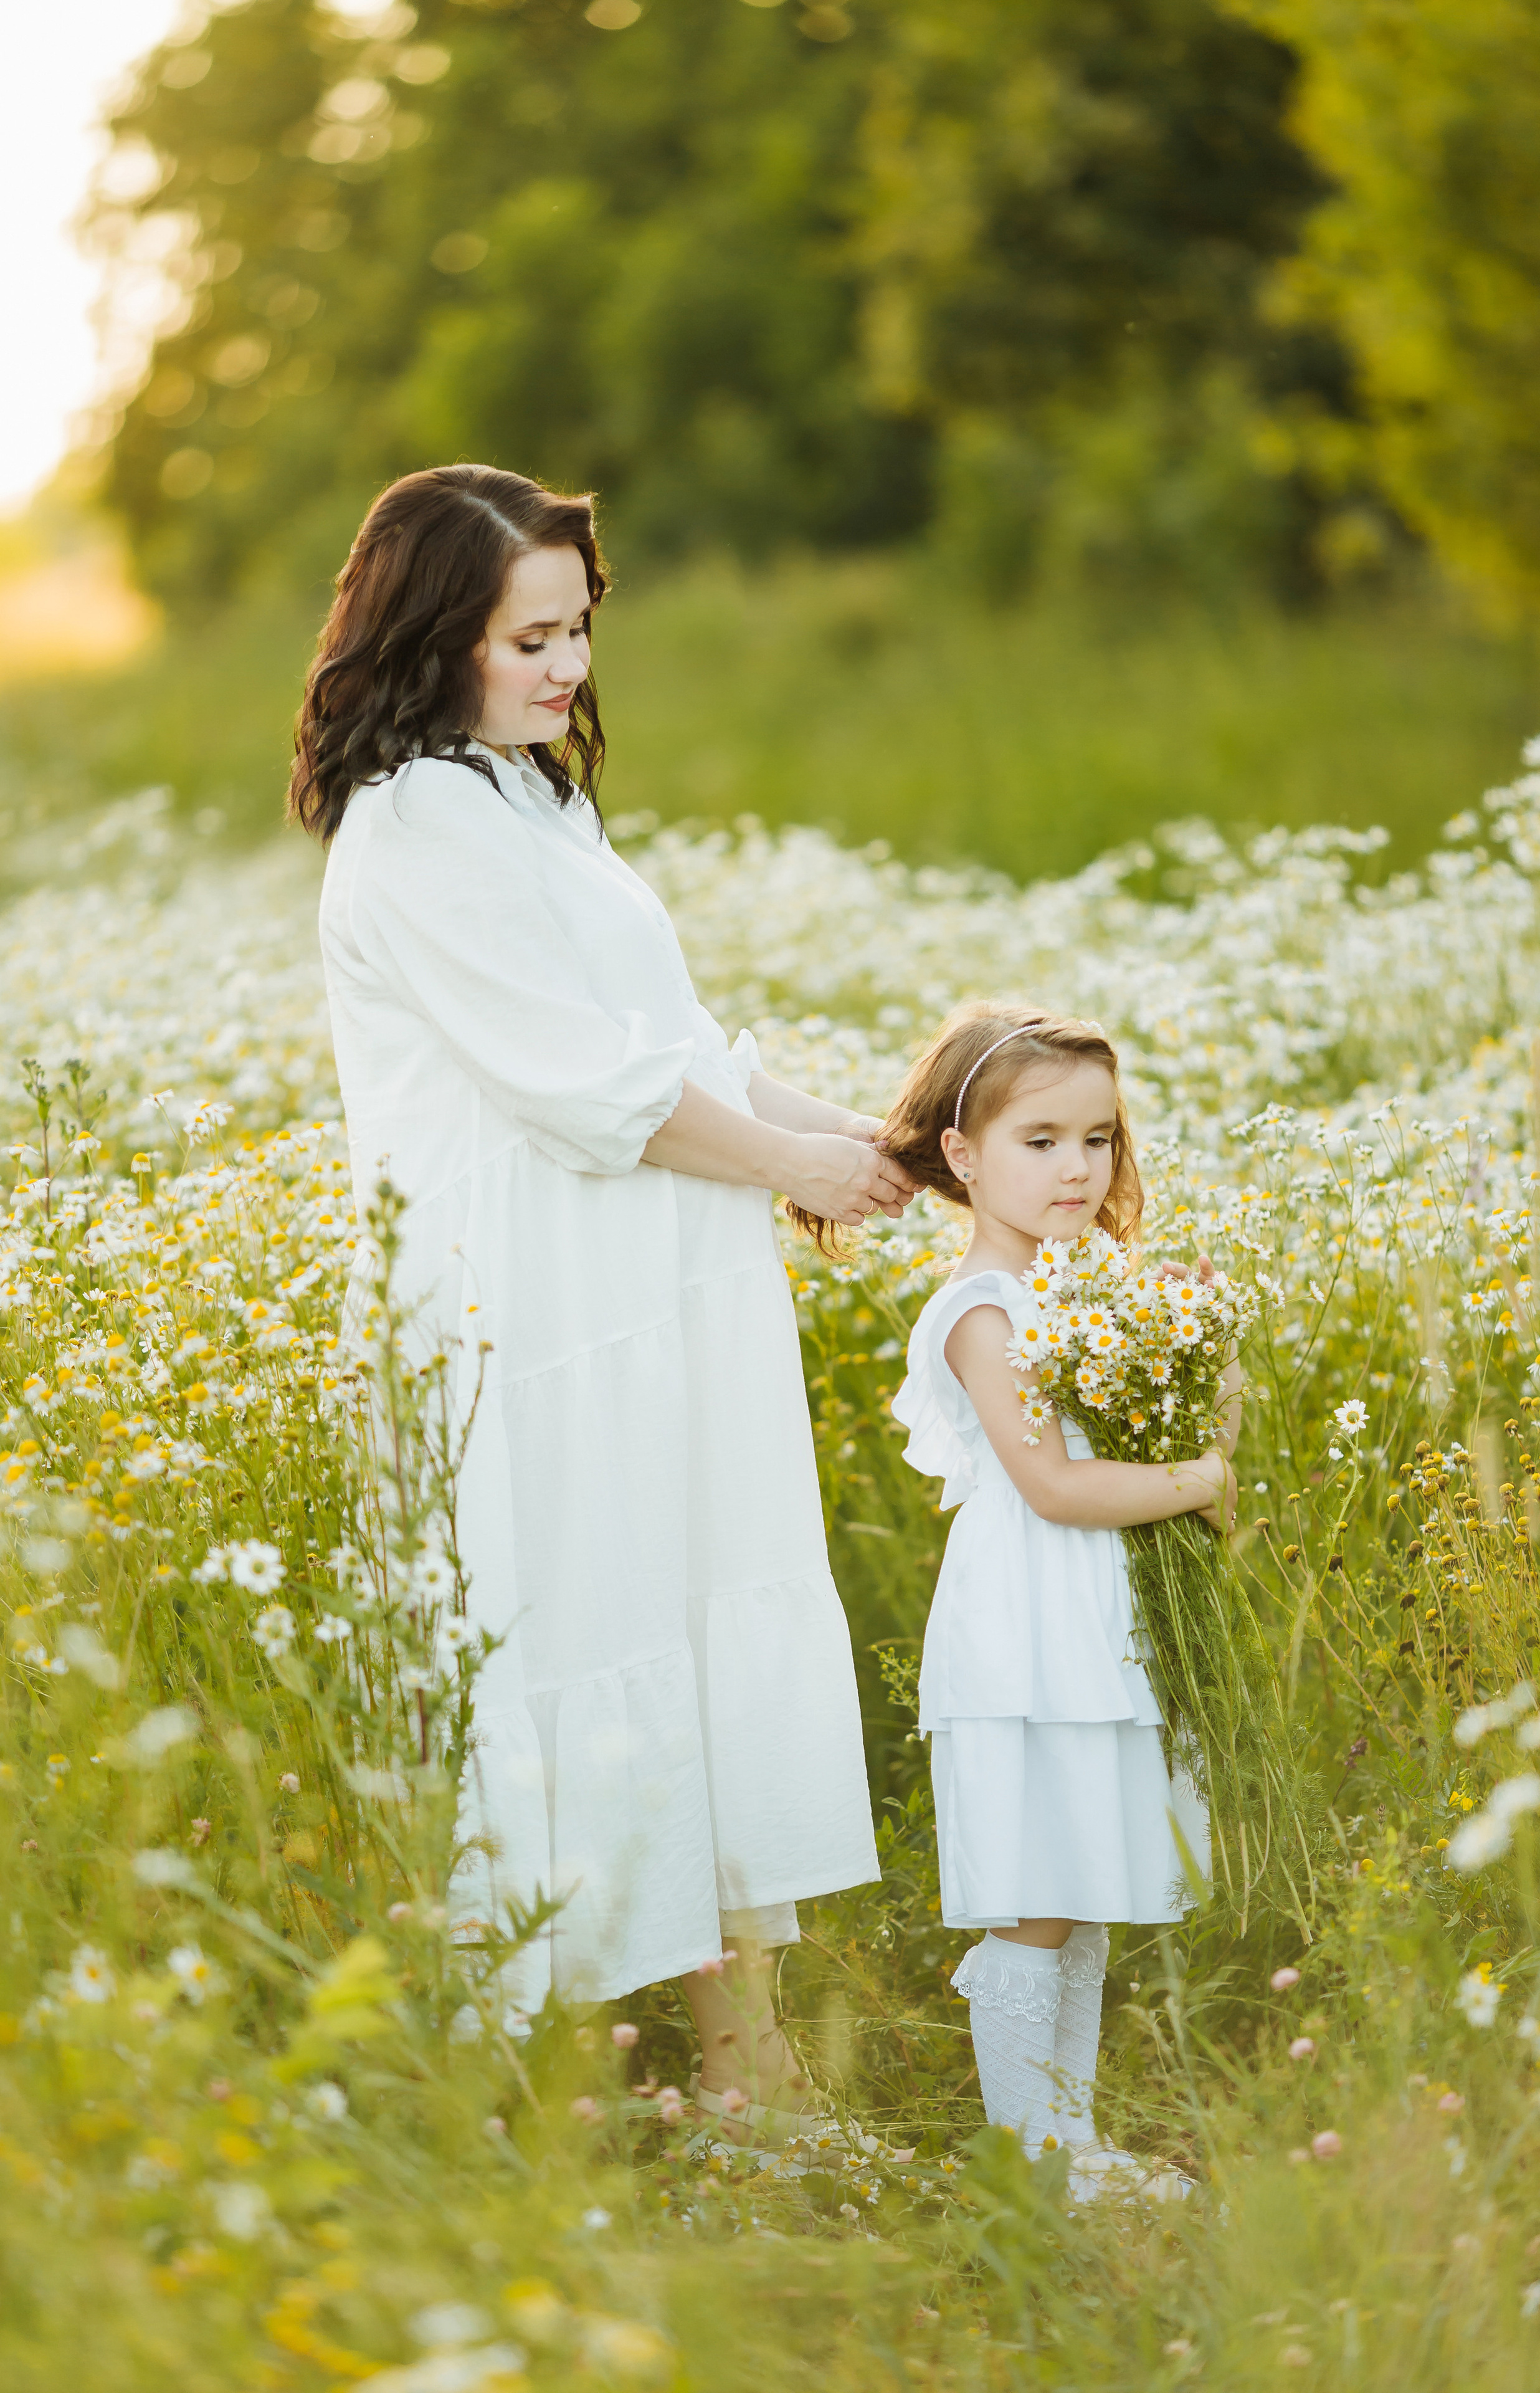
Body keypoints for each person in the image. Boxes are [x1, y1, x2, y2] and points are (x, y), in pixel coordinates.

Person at [291, 463, 915, 2131]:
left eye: (579, 630)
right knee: (592, 1648)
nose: (566, 669)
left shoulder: (529, 800)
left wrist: (868, 1136)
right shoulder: (416, 825)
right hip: (538, 1323)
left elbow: (675, 1058)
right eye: (529, 637)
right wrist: (793, 1172)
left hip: (643, 1294)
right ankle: (562, 2097)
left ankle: (750, 2079)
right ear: (433, 637)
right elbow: (589, 1093)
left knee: (689, 1639)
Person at [876, 1004, 1238, 2190]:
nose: (1078, 1166)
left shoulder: (1095, 1292)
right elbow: (1054, 1484)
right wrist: (1199, 1482)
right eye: (1040, 1140)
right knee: (1037, 1896)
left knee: (1078, 1893)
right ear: (966, 1157)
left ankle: (1067, 2146)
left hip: (1097, 1624)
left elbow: (1179, 1438)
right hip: (1028, 1627)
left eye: (1098, 1137)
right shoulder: (987, 1312)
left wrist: (1206, 1351)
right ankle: (1030, 2160)